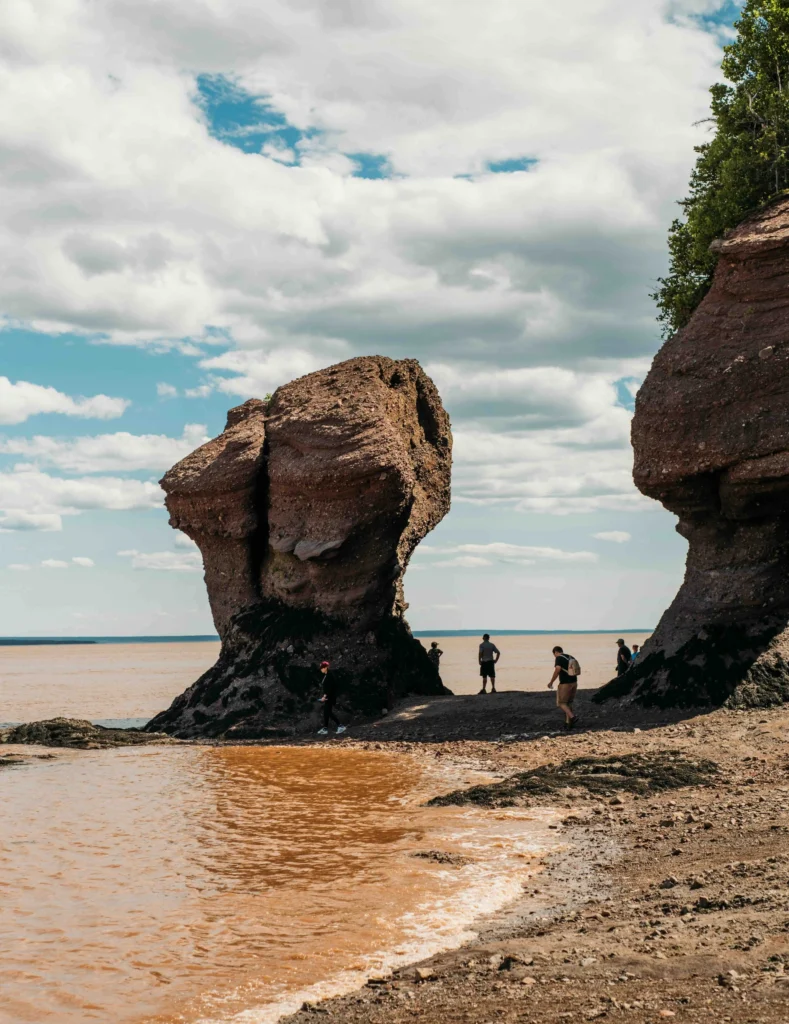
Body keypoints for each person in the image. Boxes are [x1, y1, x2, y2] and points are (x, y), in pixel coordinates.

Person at [547, 645, 578, 730]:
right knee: (569, 703)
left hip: (565, 684)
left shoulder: (559, 658)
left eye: (554, 654)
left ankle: (572, 717)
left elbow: (557, 669)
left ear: (556, 652)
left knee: (561, 703)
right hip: (574, 682)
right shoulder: (570, 657)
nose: (554, 656)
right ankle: (568, 724)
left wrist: (551, 682)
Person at [317, 661, 346, 736]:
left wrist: (324, 697)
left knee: (328, 712)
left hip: (330, 697)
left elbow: (329, 688)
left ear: (326, 667)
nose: (321, 669)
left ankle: (340, 726)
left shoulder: (329, 675)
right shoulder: (327, 675)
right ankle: (325, 728)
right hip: (329, 697)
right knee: (326, 712)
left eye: (322, 668)